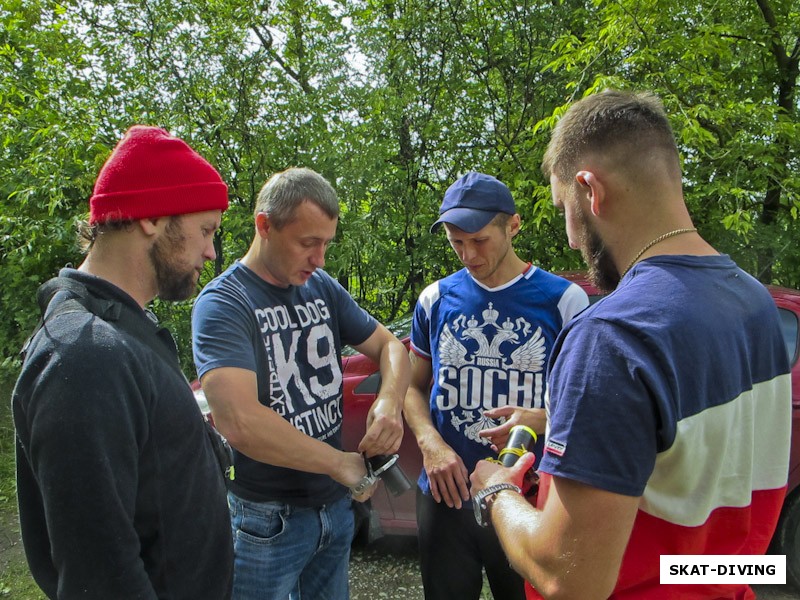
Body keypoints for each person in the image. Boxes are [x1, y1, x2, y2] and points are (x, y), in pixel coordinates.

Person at [470, 89, 792, 599]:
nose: (572, 238)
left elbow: (568, 578)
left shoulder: (611, 338)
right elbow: (691, 458)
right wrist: (561, 424)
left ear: (590, 190)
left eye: (564, 211)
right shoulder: (755, 305)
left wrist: (496, 490)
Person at [12, 125, 235, 599]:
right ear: (152, 217)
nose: (211, 251)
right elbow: (100, 575)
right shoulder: (83, 355)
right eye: (205, 230)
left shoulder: (121, 331)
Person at [191, 166, 410, 600]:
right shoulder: (224, 304)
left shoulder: (321, 287)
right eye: (308, 243)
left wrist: (389, 402)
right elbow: (239, 422)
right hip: (266, 522)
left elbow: (392, 348)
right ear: (264, 225)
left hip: (334, 508)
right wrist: (337, 462)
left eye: (326, 244)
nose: (320, 259)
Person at [403, 171, 589, 600]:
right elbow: (412, 388)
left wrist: (539, 419)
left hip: (528, 495)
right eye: (456, 241)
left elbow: (585, 407)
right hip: (445, 494)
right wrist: (431, 445)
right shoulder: (435, 299)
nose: (468, 254)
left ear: (513, 225)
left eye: (479, 240)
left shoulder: (563, 302)